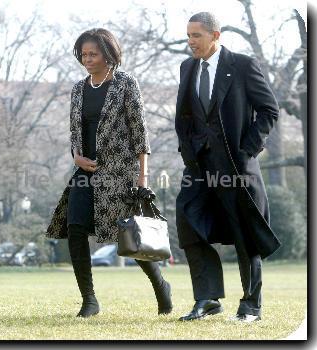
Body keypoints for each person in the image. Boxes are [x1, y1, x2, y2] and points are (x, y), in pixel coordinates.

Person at [46, 28, 172, 318]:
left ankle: (161, 285)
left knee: (129, 235)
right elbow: (75, 132)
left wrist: (142, 179)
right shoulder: (79, 88)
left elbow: (140, 134)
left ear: (108, 54)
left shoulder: (126, 84)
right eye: (83, 54)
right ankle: (89, 300)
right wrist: (76, 156)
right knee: (76, 228)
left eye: (92, 54)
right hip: (84, 173)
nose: (86, 59)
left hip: (119, 173)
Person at [175, 12, 281, 323]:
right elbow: (185, 114)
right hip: (198, 165)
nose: (191, 41)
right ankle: (207, 298)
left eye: (196, 35)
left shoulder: (242, 65)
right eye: (188, 36)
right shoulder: (187, 67)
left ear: (215, 35)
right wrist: (188, 148)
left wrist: (248, 149)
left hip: (236, 166)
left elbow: (269, 109)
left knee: (245, 234)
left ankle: (251, 306)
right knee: (188, 223)